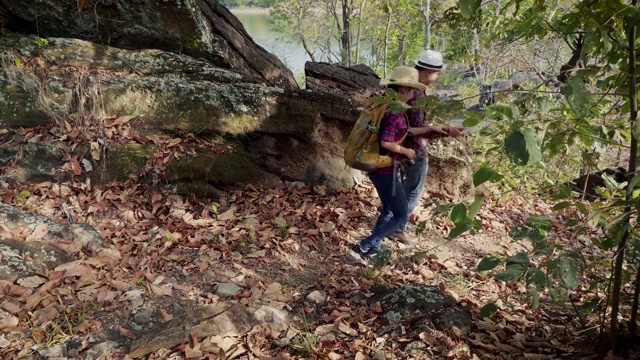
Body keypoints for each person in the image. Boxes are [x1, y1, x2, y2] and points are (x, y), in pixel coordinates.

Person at [349, 66, 427, 263]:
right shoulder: (393, 112)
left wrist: (434, 129)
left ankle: (373, 247)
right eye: (411, 90)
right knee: (400, 216)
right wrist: (406, 151)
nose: (413, 94)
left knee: (388, 209)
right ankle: (363, 246)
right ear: (402, 89)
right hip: (385, 170)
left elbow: (405, 131)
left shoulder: (386, 106)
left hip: (379, 166)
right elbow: (386, 141)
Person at [389, 50, 465, 245]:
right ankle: (397, 227)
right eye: (436, 73)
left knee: (401, 188)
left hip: (400, 147)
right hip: (413, 149)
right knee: (412, 191)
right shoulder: (416, 93)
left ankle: (390, 222)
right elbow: (412, 129)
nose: (437, 77)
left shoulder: (405, 86)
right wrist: (442, 131)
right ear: (430, 71)